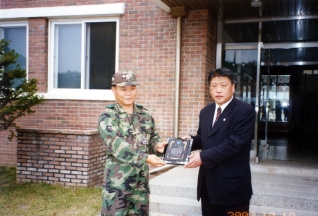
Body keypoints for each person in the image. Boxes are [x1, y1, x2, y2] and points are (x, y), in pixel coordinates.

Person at [183, 68, 255, 216]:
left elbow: (234, 143)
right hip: (208, 185)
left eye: (223, 85)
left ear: (233, 87)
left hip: (232, 187)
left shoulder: (245, 111)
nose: (218, 90)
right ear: (209, 88)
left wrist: (203, 157)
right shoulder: (206, 112)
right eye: (214, 85)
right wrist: (186, 142)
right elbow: (203, 137)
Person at [97, 71, 167, 216]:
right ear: (113, 90)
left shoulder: (145, 115)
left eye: (132, 88)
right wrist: (145, 158)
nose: (129, 93)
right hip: (118, 187)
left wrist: (157, 146)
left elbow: (152, 137)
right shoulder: (108, 117)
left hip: (140, 185)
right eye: (123, 89)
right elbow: (117, 146)